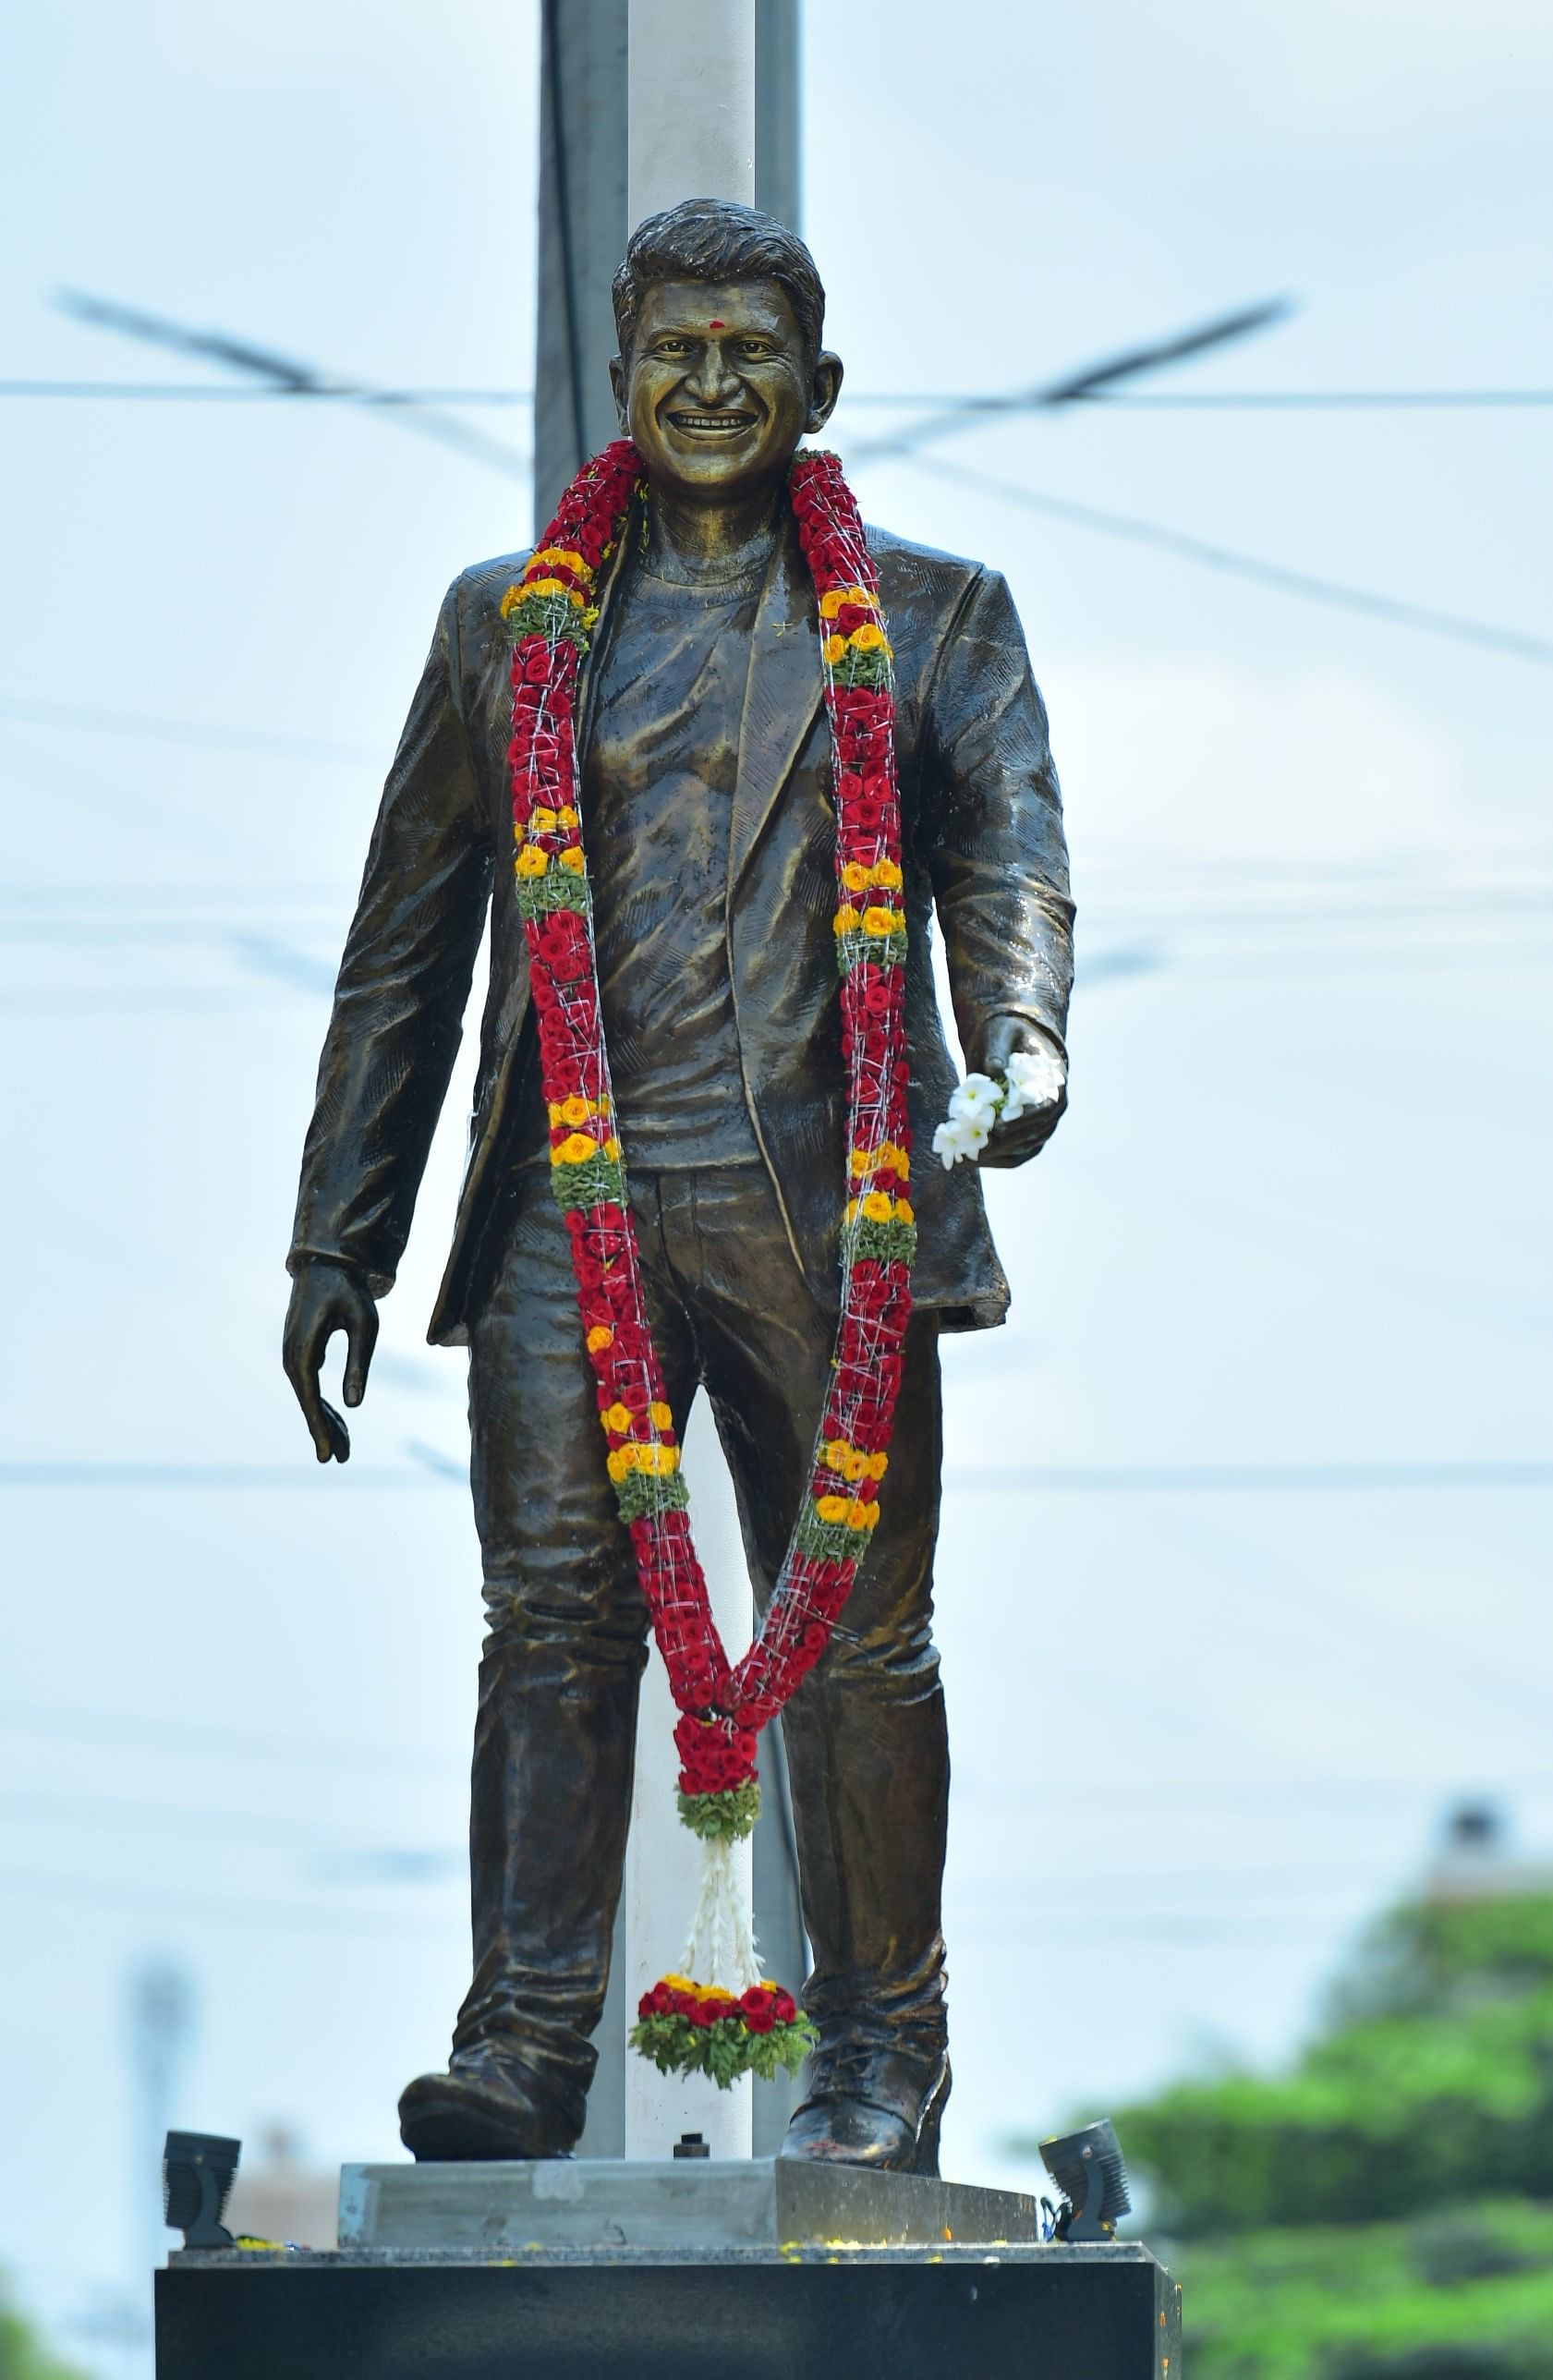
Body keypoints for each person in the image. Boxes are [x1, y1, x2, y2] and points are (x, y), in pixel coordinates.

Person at [283, 200, 1074, 2173]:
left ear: (816, 389)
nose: (711, 385)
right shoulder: (506, 629)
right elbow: (404, 945)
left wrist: (1026, 1038)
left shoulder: (934, 614)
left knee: (864, 1641)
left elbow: (1007, 862)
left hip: (831, 1201)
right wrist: (335, 1236)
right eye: (675, 351)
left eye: (750, 354)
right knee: (546, 1619)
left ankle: (883, 2056)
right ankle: (524, 2037)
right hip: (569, 1193)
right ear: (618, 379)